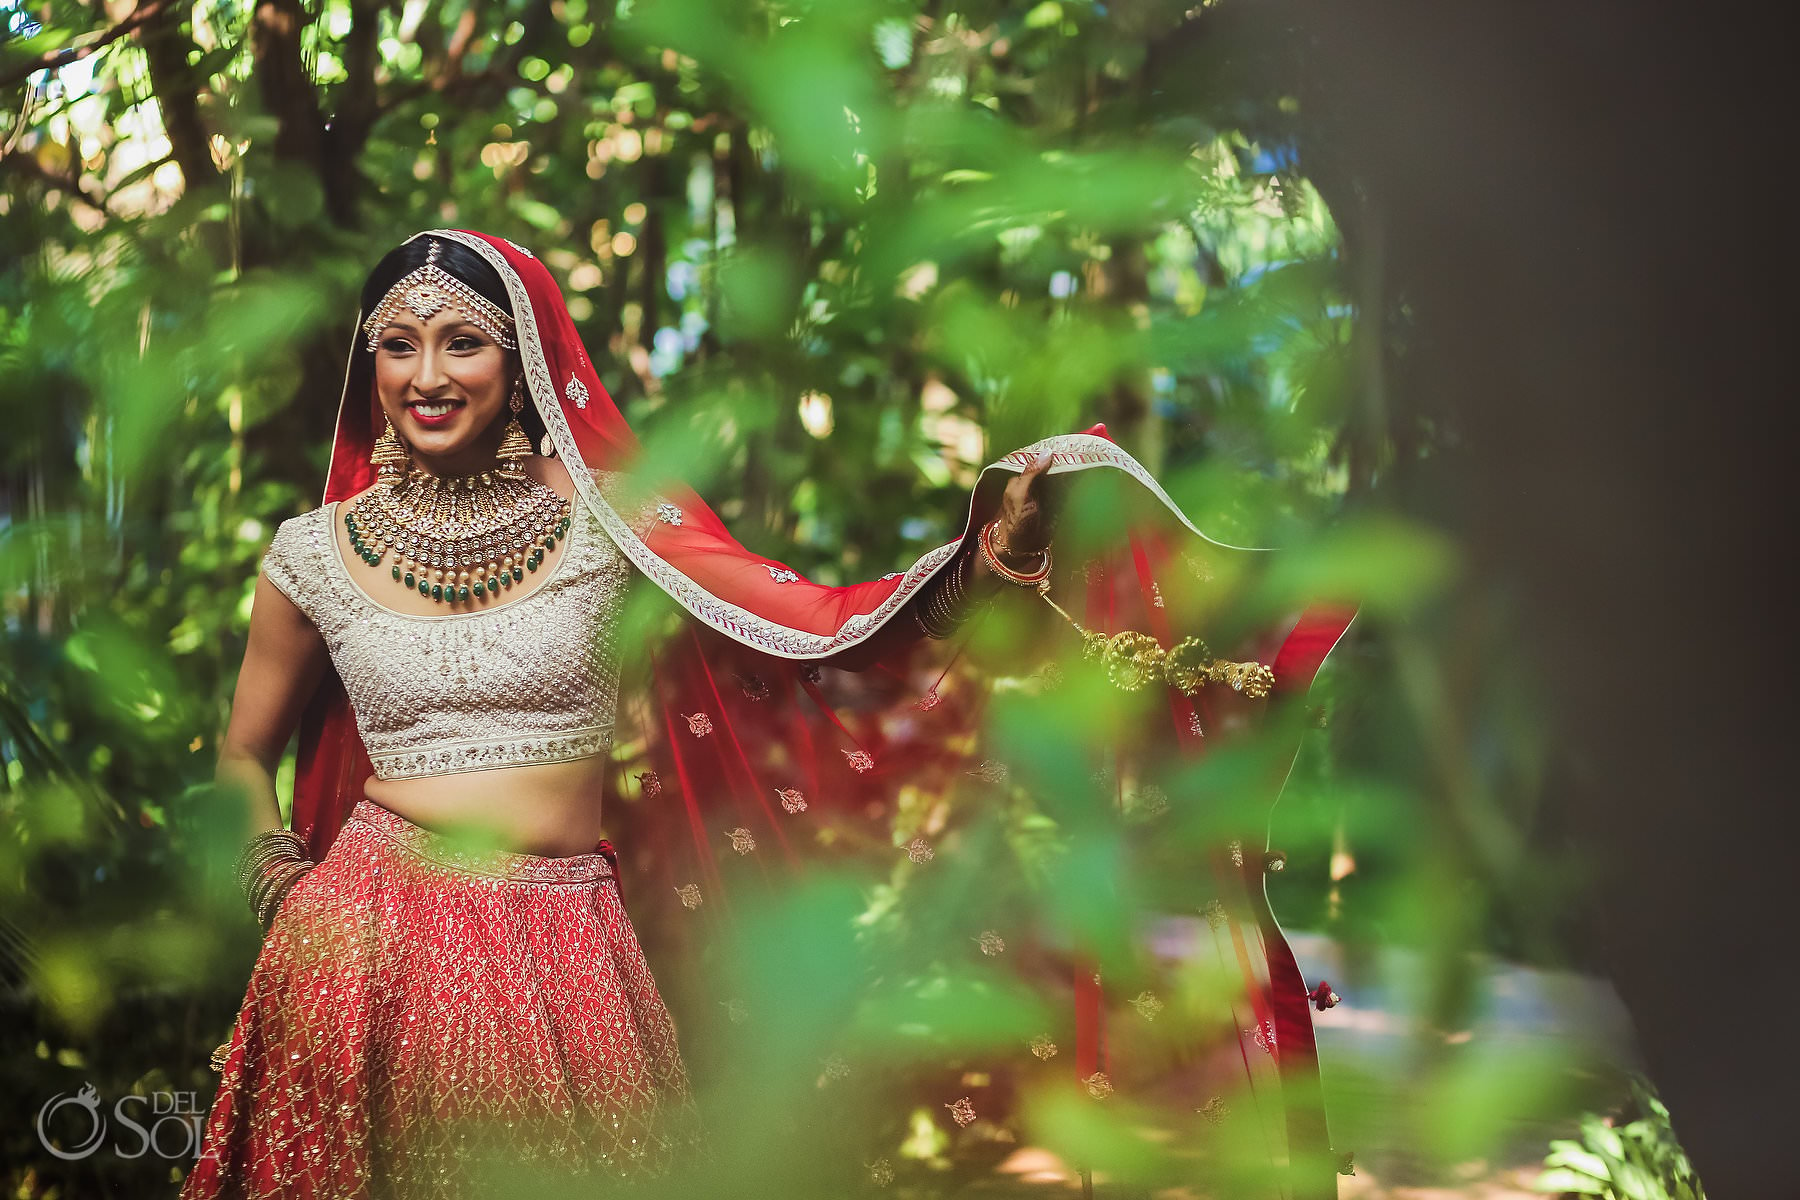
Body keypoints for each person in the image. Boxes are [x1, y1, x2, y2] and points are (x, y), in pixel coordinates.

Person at [184, 229, 1354, 1198]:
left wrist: (984, 562)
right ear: (368, 368)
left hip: (562, 950)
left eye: (462, 342)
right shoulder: (312, 555)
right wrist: (278, 888)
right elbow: (245, 750)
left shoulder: (611, 521)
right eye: (398, 345)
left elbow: (805, 634)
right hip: (360, 943)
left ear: (525, 361)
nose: (427, 374)